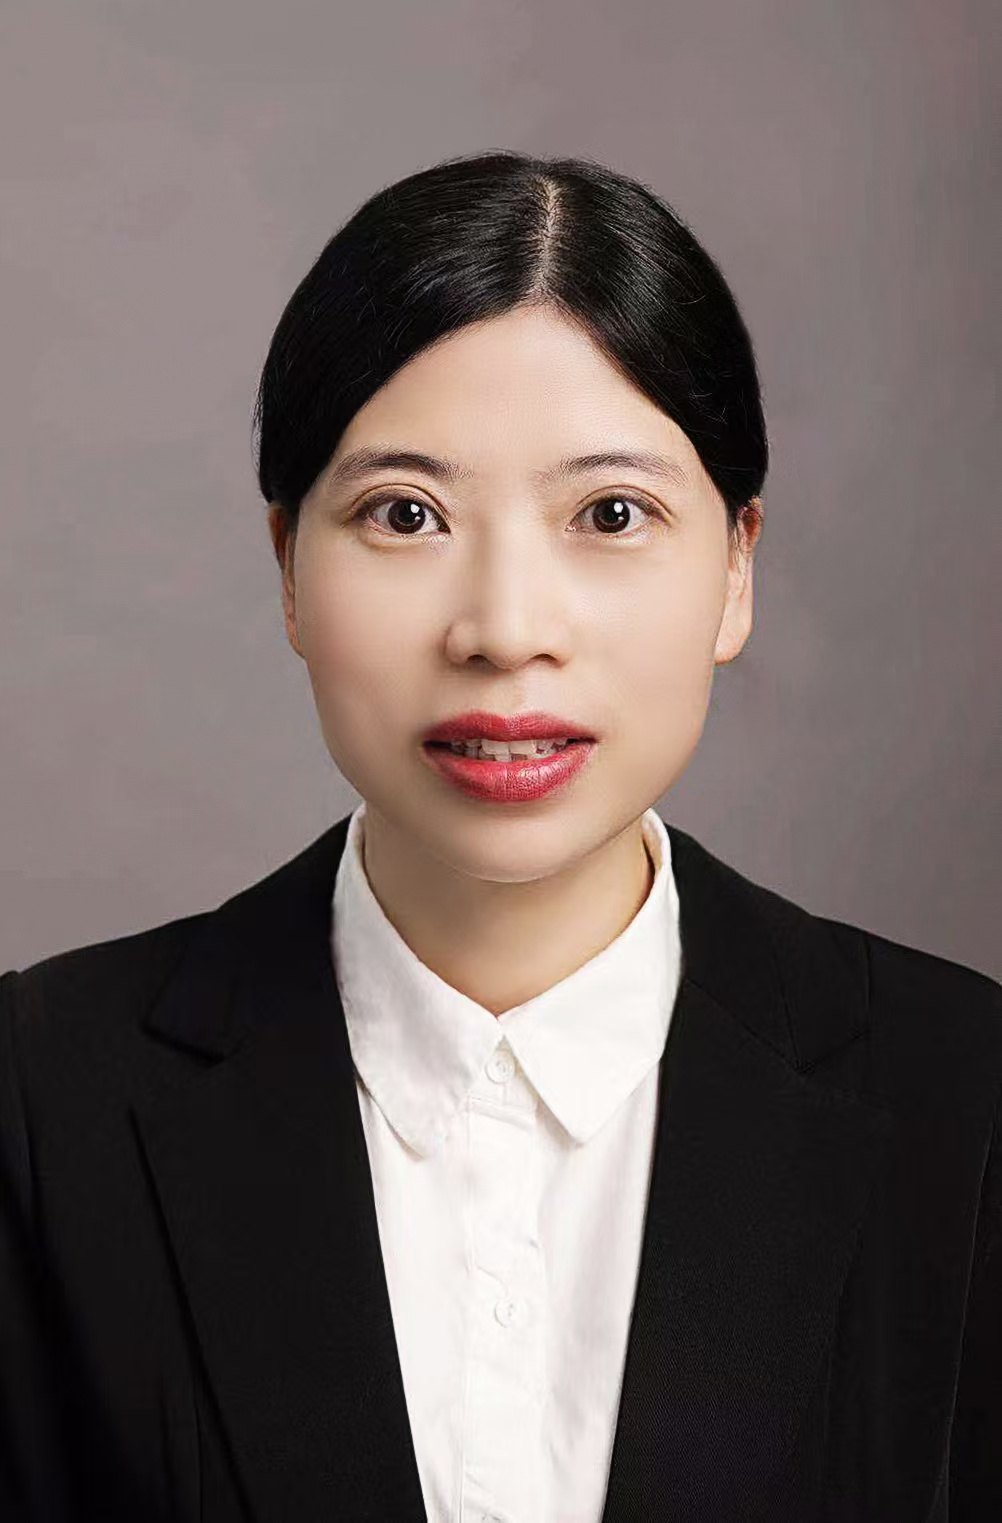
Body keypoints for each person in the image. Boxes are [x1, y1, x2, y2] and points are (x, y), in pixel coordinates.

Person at [1, 149, 999, 1523]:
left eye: (610, 514)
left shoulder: (968, 1097)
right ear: (287, 568)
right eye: (404, 514)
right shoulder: (39, 1101)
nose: (505, 628)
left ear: (735, 568)